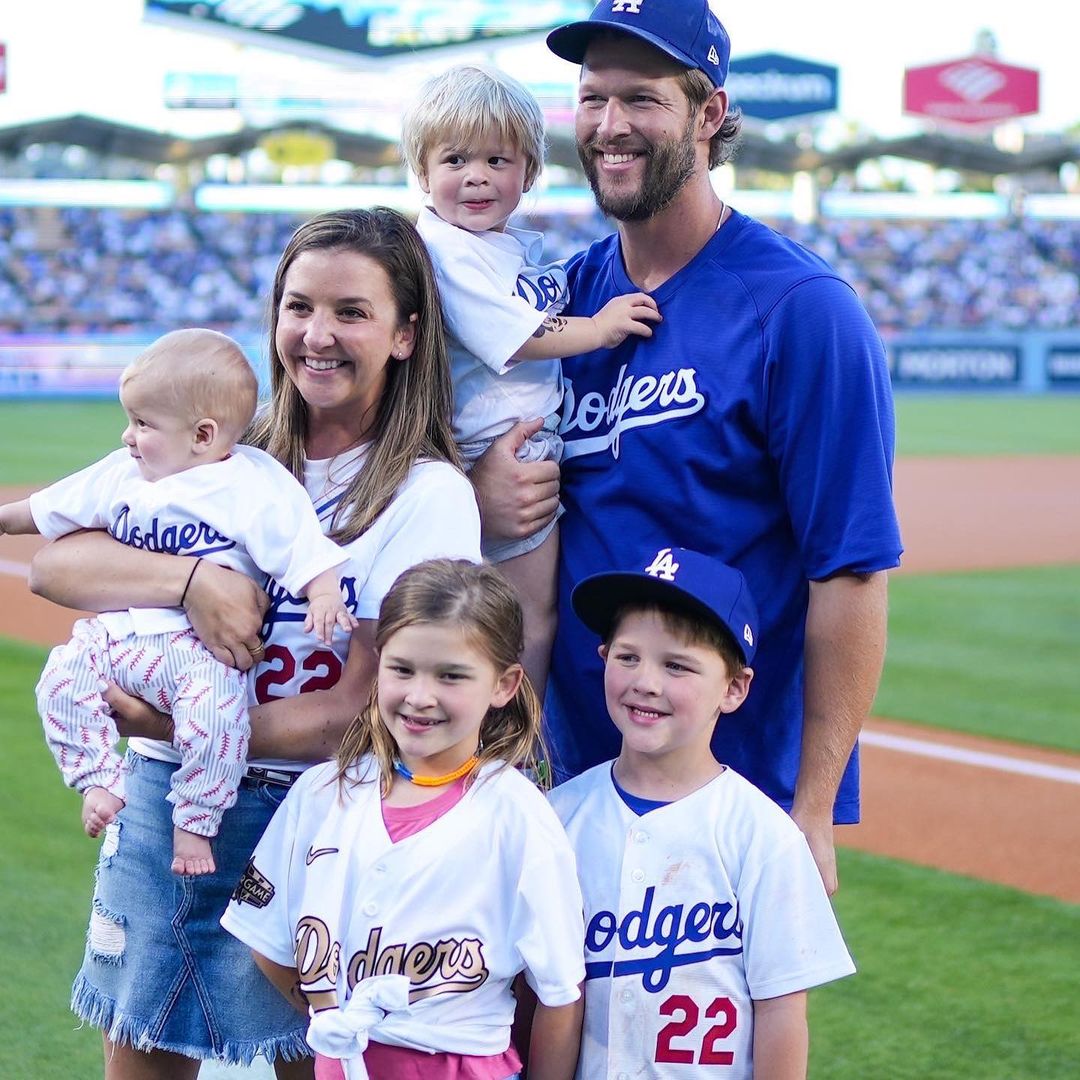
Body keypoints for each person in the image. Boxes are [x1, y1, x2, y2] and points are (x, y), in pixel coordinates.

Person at [27, 208, 482, 1078]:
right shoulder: (222, 452)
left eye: (352, 311)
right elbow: (57, 563)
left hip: (319, 813)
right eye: (299, 305)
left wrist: (172, 726)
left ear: (404, 334)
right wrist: (190, 582)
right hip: (171, 803)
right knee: (145, 1050)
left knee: (312, 1061)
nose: (318, 334)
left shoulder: (427, 497)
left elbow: (358, 711)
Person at [473, 0, 903, 894]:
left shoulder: (801, 310)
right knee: (553, 1036)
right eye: (592, 99)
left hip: (736, 792)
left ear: (709, 115)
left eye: (642, 99)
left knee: (718, 1040)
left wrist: (812, 811)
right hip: (571, 785)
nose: (609, 126)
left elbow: (852, 570)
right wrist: (477, 491)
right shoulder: (560, 305)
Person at [1, 328, 356, 876]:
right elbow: (48, 509)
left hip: (198, 653)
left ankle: (195, 824)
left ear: (203, 434)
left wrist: (325, 593)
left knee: (218, 718)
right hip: (121, 637)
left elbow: (300, 543)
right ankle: (97, 778)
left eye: (142, 424)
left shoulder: (251, 482)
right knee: (61, 676)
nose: (126, 437)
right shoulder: (124, 474)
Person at [221, 558, 586, 1080]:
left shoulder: (517, 814)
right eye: (402, 669)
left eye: (451, 676)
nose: (420, 696)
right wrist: (336, 1017)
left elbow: (558, 991)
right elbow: (268, 943)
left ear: (503, 685)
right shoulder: (322, 794)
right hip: (343, 1065)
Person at [401, 63, 660, 695]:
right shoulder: (447, 247)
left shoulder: (500, 244)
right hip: (496, 447)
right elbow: (517, 336)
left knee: (497, 619)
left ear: (528, 175)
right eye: (455, 159)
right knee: (524, 616)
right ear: (423, 172)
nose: (477, 177)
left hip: (507, 440)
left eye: (498, 160)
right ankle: (522, 738)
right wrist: (598, 329)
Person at [551, 545, 855, 1078]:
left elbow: (782, 1010)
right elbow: (544, 996)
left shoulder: (762, 835)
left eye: (677, 665)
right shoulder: (557, 818)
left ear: (734, 689)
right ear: (603, 659)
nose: (646, 681)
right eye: (628, 656)